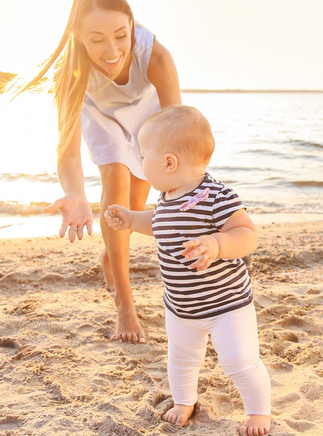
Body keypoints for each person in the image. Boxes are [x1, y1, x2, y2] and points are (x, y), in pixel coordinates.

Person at [5, 0, 181, 344]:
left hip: (147, 116)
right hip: (100, 114)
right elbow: (67, 150)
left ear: (132, 26)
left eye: (120, 35)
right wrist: (75, 193)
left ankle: (109, 255)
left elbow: (177, 129)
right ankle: (124, 303)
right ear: (79, 36)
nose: (112, 50)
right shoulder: (69, 74)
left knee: (131, 212)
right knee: (115, 177)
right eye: (97, 39)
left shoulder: (156, 57)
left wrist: (185, 192)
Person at [105, 105, 272, 435]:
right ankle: (184, 401)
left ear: (169, 162)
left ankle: (259, 412)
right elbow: (157, 224)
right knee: (181, 359)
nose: (140, 164)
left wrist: (217, 244)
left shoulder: (215, 196)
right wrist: (130, 219)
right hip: (181, 306)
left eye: (143, 157)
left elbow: (247, 234)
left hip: (228, 305)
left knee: (239, 361)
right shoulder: (167, 196)